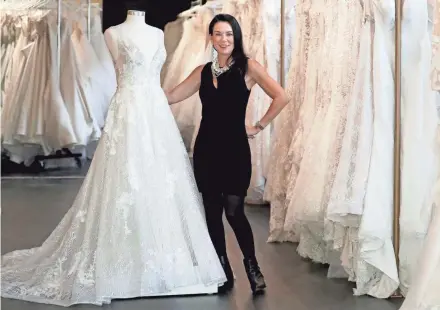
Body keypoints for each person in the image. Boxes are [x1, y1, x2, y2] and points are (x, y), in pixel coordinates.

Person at [1, 10, 226, 307]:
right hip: (129, 111)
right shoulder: (113, 33)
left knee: (160, 182)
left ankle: (162, 256)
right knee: (125, 179)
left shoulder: (158, 33)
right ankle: (123, 259)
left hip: (156, 113)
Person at [165, 13, 288, 294]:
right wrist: (141, 86)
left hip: (235, 151)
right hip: (206, 149)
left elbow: (282, 96)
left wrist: (259, 125)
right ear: (211, 38)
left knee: (234, 211)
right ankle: (222, 268)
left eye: (229, 34)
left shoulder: (249, 68)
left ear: (236, 37)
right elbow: (171, 97)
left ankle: (252, 267)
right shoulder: (202, 72)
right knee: (211, 211)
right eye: (218, 34)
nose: (224, 39)